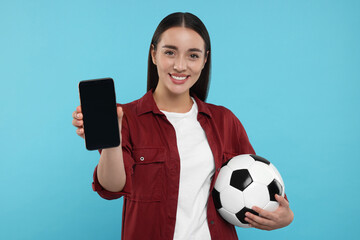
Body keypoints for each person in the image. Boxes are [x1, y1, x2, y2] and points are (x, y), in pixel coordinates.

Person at [72, 12, 294, 240]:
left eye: (193, 56)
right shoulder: (125, 117)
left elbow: (258, 180)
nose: (180, 65)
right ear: (154, 54)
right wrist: (112, 141)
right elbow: (112, 188)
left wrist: (285, 215)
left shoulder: (224, 121)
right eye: (170, 52)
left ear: (205, 60)